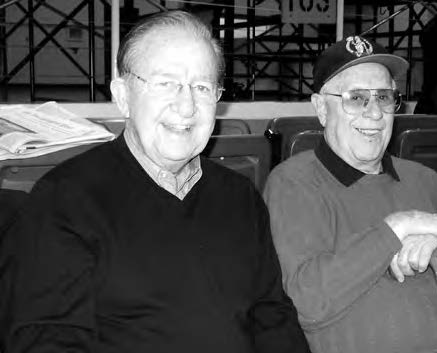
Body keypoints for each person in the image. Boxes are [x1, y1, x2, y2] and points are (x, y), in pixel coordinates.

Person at [1, 11, 310, 353]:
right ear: (122, 96)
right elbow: (47, 340)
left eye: (202, 87)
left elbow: (272, 318)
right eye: (166, 83)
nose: (187, 105)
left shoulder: (240, 196)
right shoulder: (64, 199)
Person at [263, 35, 437, 353]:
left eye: (383, 97)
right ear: (322, 109)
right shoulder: (294, 184)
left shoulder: (427, 181)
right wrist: (397, 228)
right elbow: (306, 303)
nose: (375, 113)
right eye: (355, 98)